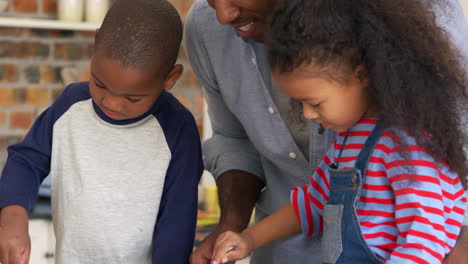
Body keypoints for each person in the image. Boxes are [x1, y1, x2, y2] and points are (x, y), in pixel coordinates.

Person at [185, 0, 468, 263]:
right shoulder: (351, 138)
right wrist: (248, 238)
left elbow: (424, 241)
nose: (308, 115)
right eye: (301, 104)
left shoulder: (410, 150)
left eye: (315, 103)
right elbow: (313, 201)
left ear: (361, 75)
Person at [0, 0, 203, 263]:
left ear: (170, 78)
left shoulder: (178, 130)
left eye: (132, 98)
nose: (111, 103)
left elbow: (177, 223)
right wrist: (12, 217)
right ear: (96, 43)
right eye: (100, 84)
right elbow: (26, 160)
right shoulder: (71, 104)